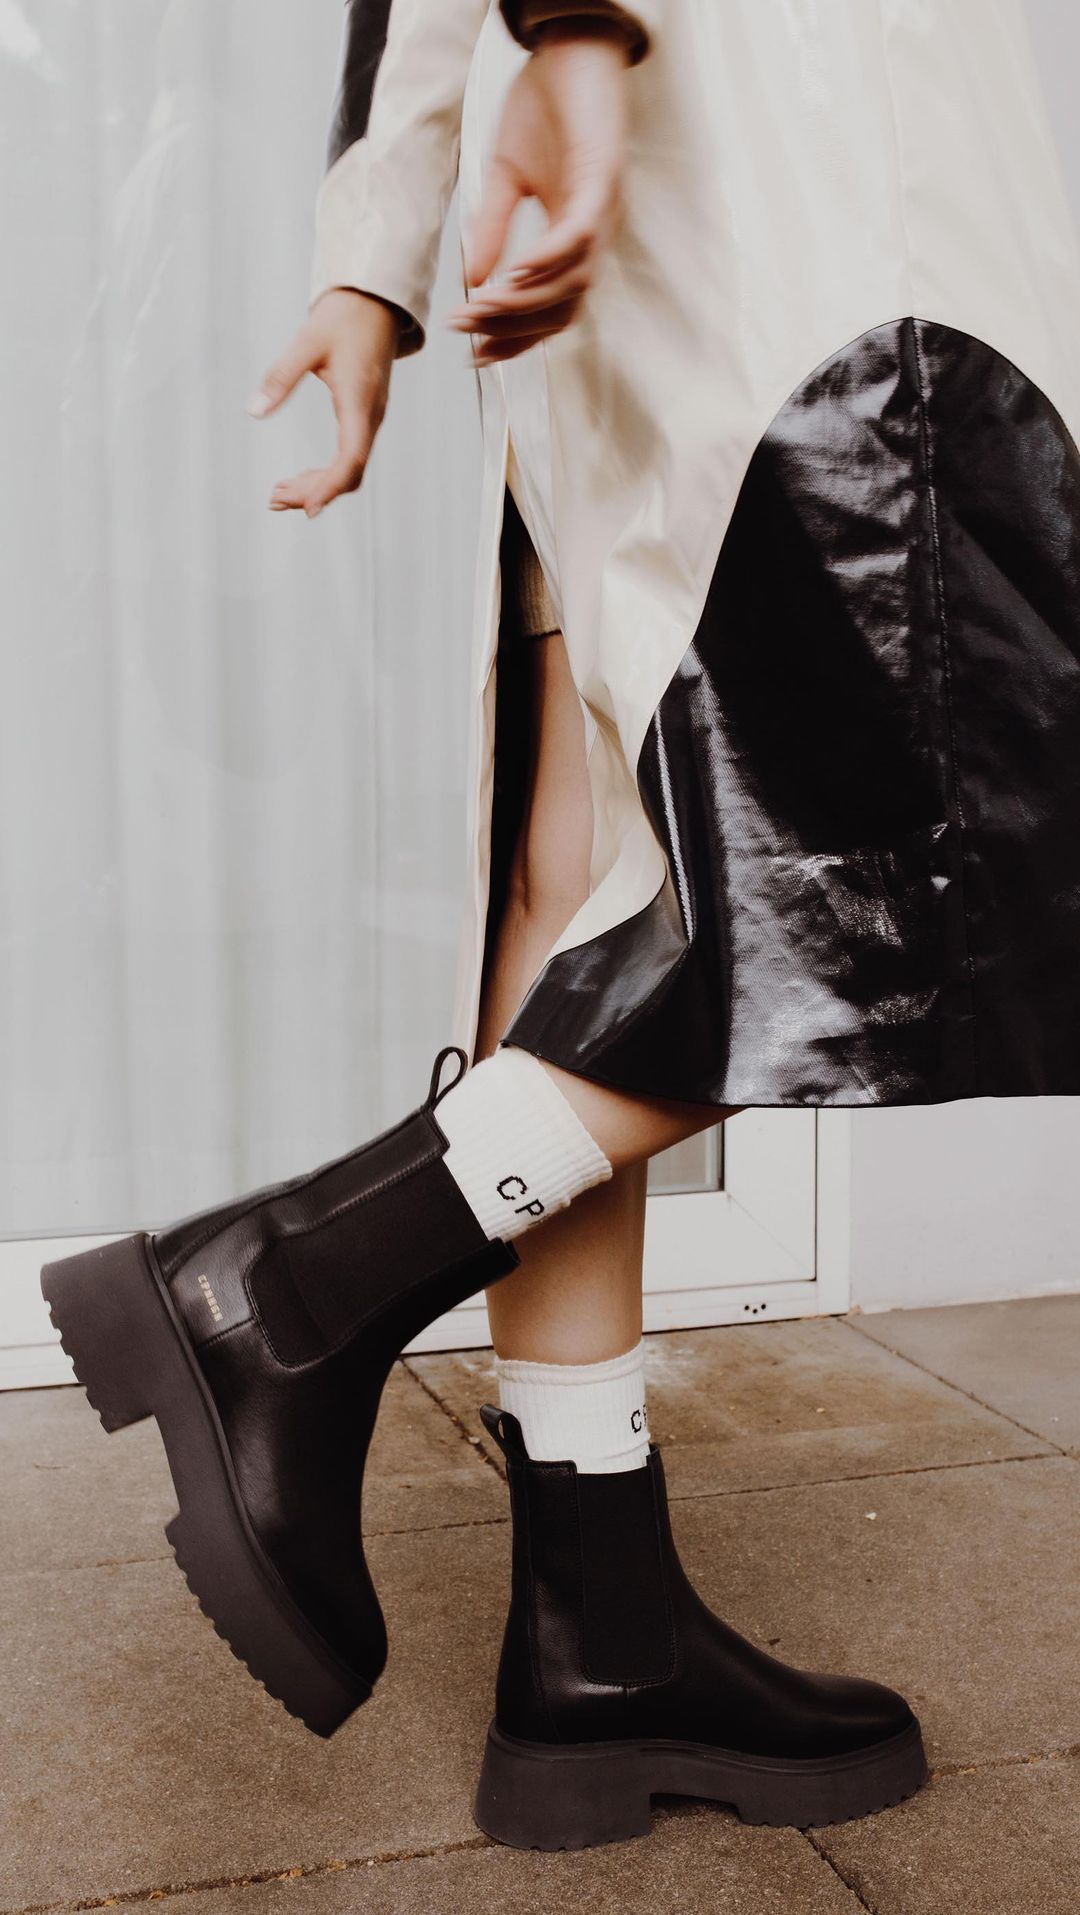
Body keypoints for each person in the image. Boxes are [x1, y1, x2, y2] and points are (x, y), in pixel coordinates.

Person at [42, 0, 1080, 1853]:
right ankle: (286, 1290)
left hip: (639, 220)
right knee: (912, 872)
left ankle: (601, 1632)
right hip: (816, 182)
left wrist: (378, 244)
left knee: (596, 884)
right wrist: (581, 42)